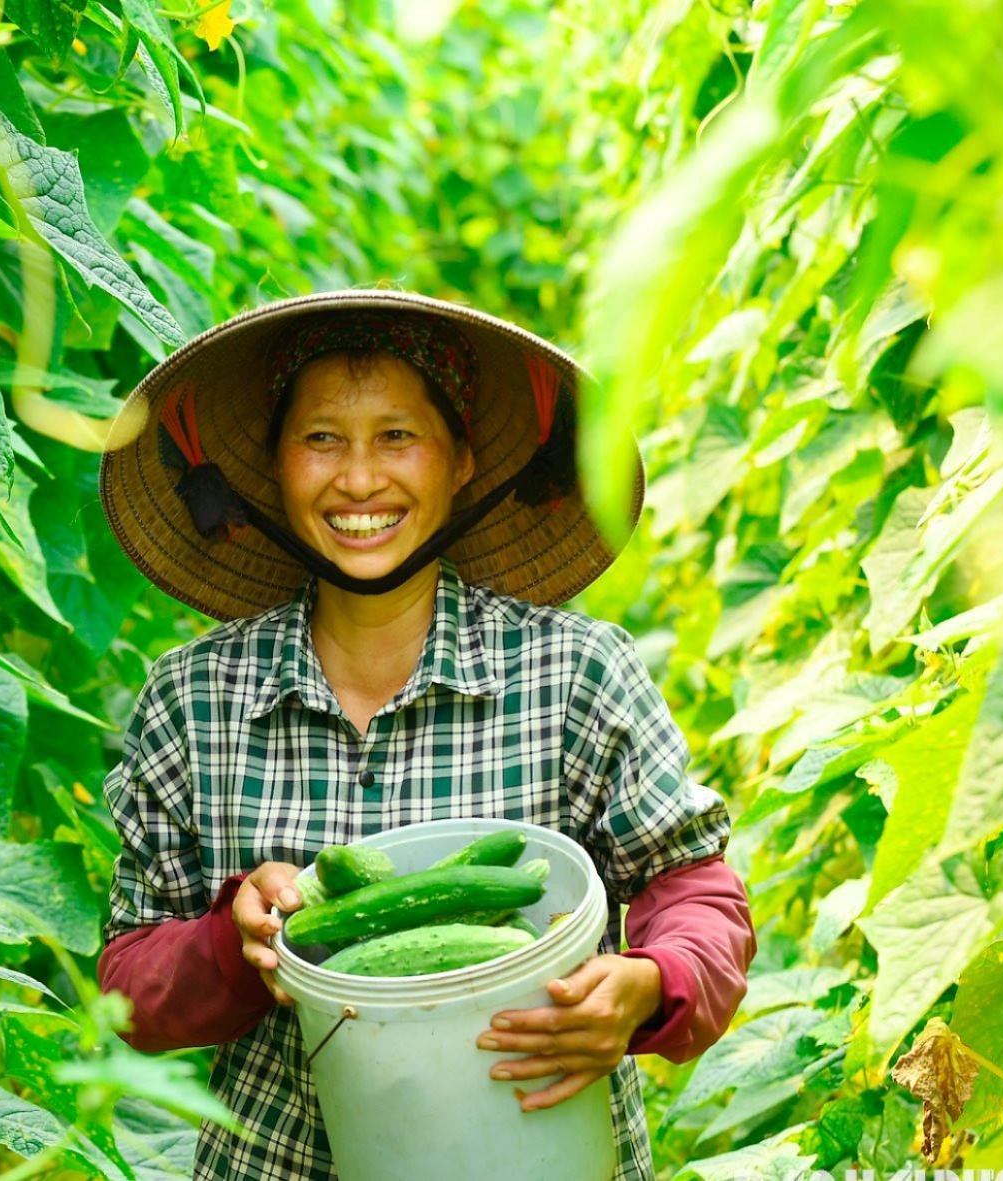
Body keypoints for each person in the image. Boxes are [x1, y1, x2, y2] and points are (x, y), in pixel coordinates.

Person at [95, 290, 756, 1180]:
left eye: (398, 436)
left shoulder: (575, 675)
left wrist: (655, 982)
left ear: (464, 463)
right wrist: (231, 944)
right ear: (275, 467)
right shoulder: (193, 701)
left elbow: (698, 888)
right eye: (321, 437)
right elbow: (127, 985)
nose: (359, 479)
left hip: (542, 1152)